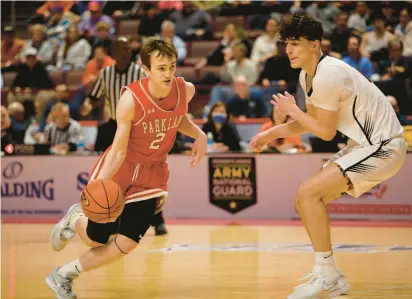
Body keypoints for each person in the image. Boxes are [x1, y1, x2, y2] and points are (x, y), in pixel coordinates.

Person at [249, 14, 407, 299]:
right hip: (365, 145)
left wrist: (292, 110)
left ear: (315, 45)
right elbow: (311, 120)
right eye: (287, 44)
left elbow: (324, 131)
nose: (289, 50)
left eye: (296, 43)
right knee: (305, 198)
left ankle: (327, 275)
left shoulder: (329, 73)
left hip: (383, 146)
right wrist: (269, 134)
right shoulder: (308, 75)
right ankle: (329, 275)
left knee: (308, 193)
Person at [46, 37, 207, 299]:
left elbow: (177, 119)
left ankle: (63, 275)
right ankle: (75, 219)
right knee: (96, 238)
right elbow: (119, 150)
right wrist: (95, 190)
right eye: (161, 68)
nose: (168, 74)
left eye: (172, 66)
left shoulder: (184, 89)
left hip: (152, 171)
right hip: (122, 164)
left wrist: (199, 134)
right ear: (146, 69)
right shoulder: (131, 100)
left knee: (127, 242)